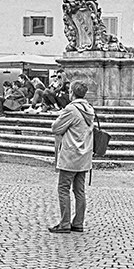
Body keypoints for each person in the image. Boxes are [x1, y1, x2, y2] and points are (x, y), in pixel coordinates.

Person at [48, 80, 95, 234]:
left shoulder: (71, 109)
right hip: (84, 155)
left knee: (63, 188)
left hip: (71, 154)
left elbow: (56, 127)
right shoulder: (89, 109)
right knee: (79, 190)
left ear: (72, 93)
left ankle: (65, 223)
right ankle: (78, 223)